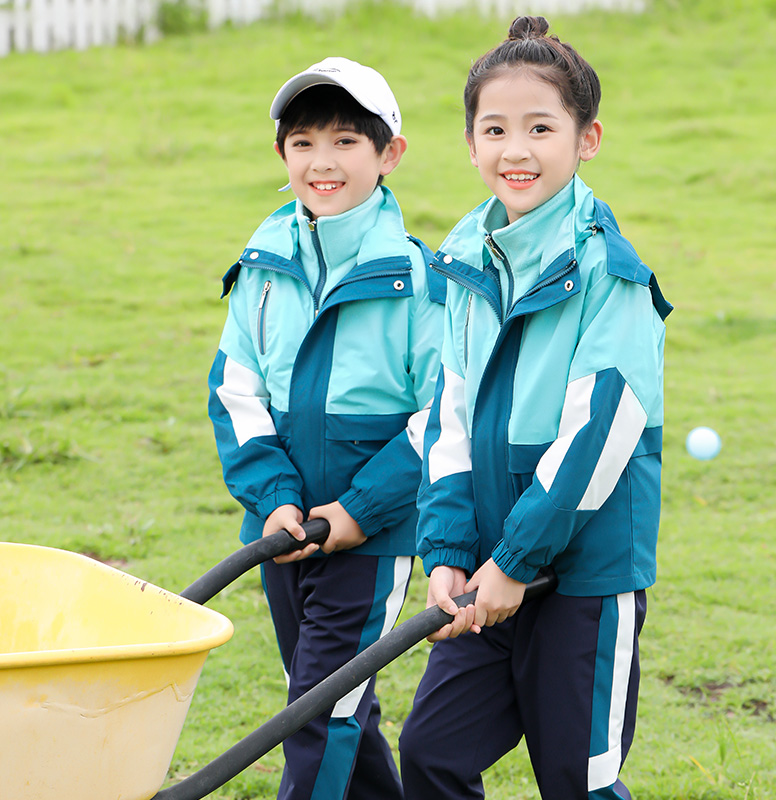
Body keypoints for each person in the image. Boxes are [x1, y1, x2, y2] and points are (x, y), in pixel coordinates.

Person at [399, 16, 671, 800]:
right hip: (483, 564)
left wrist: (518, 562)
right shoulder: (462, 261)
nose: (515, 150)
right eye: (495, 129)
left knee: (576, 781)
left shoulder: (610, 275)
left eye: (540, 128)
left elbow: (600, 433)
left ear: (586, 140)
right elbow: (449, 416)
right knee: (432, 753)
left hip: (580, 575)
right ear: (471, 143)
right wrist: (448, 548)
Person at [208, 57, 444, 800]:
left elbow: (445, 417)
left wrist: (357, 511)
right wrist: (275, 499)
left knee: (316, 712)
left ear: (389, 154)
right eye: (304, 141)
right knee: (339, 705)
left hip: (370, 537)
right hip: (280, 530)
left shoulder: (421, 280)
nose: (323, 161)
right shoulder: (262, 264)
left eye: (346, 140)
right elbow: (234, 389)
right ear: (282, 154)